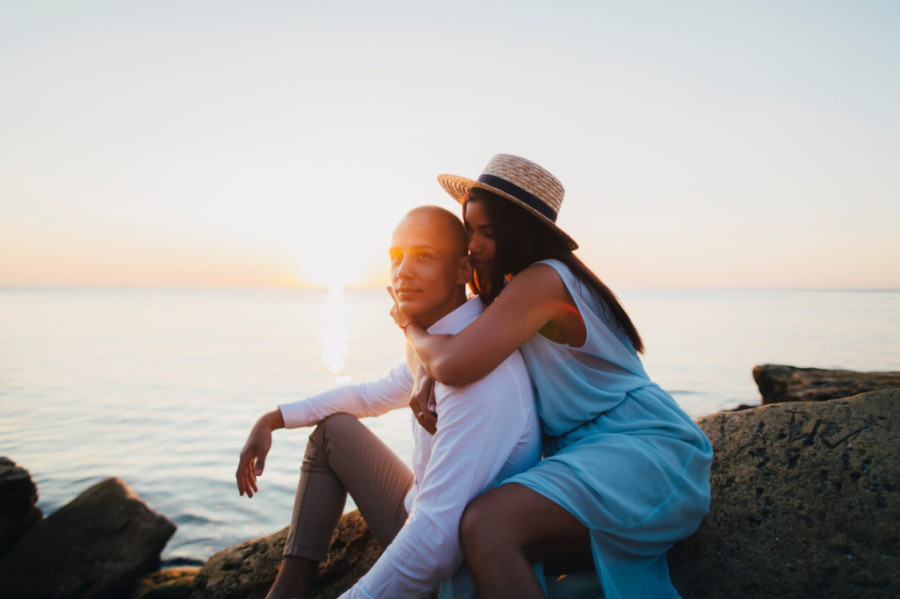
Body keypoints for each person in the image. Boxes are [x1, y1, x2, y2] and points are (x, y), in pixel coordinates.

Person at [390, 155, 714, 599]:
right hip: (595, 456)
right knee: (468, 528)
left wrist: (408, 323)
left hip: (642, 450)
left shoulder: (544, 280)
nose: (474, 245)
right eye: (470, 229)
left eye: (489, 232)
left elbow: (452, 362)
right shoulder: (515, 293)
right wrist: (425, 367)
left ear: (522, 233)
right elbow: (454, 351)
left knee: (486, 525)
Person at [236, 205, 541, 599]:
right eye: (396, 258)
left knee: (340, 438)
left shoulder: (477, 370)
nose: (403, 272)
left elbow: (435, 544)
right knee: (334, 431)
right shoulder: (440, 345)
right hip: (425, 513)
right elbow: (368, 394)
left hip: (457, 562)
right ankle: (288, 590)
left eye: (424, 256)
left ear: (464, 271)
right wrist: (274, 419)